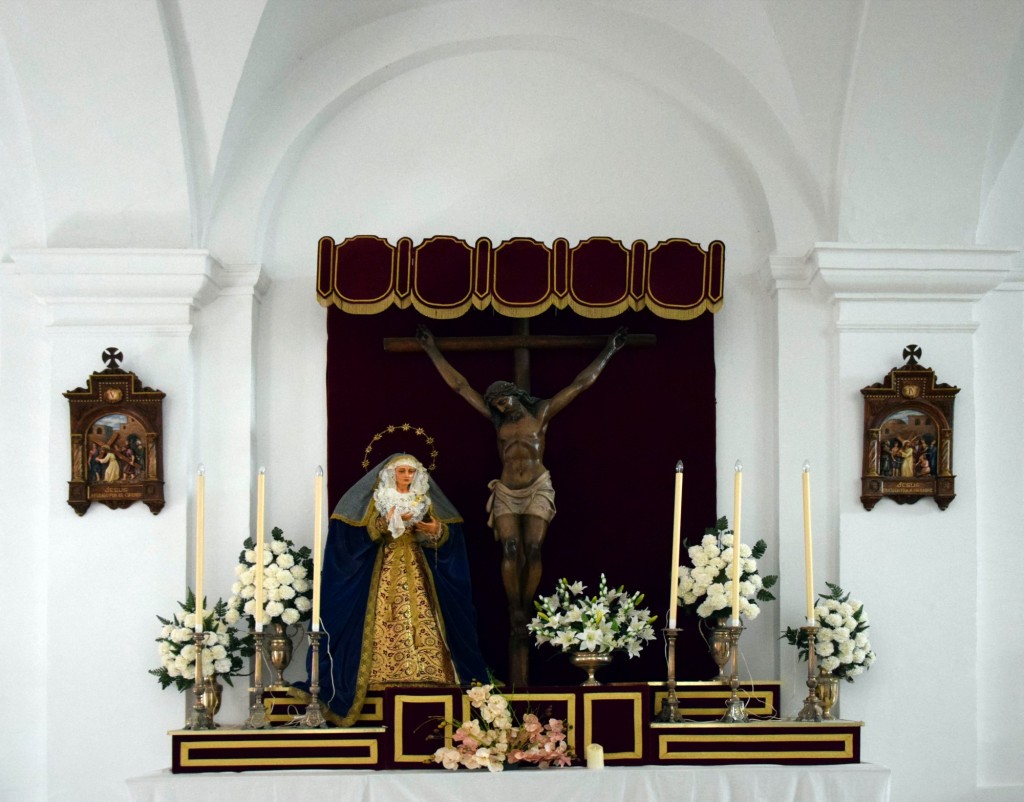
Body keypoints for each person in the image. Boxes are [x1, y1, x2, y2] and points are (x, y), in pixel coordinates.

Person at [416, 324, 627, 684]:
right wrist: (432, 350)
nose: (500, 407)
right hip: (507, 490)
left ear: (515, 395)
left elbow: (579, 385)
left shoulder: (541, 413)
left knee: (533, 547)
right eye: (496, 404)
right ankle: (516, 610)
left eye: (504, 400)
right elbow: (460, 386)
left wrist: (608, 350)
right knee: (511, 548)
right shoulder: (497, 419)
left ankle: (526, 604)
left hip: (537, 487)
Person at [305, 453, 489, 726]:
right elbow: (353, 538)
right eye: (402, 471)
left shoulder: (423, 500)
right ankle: (376, 677)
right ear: (392, 474)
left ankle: (430, 674)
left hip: (416, 566)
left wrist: (435, 530)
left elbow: (447, 538)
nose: (406, 476)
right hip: (383, 570)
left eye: (411, 472)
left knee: (423, 618)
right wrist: (383, 524)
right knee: (382, 618)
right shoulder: (378, 499)